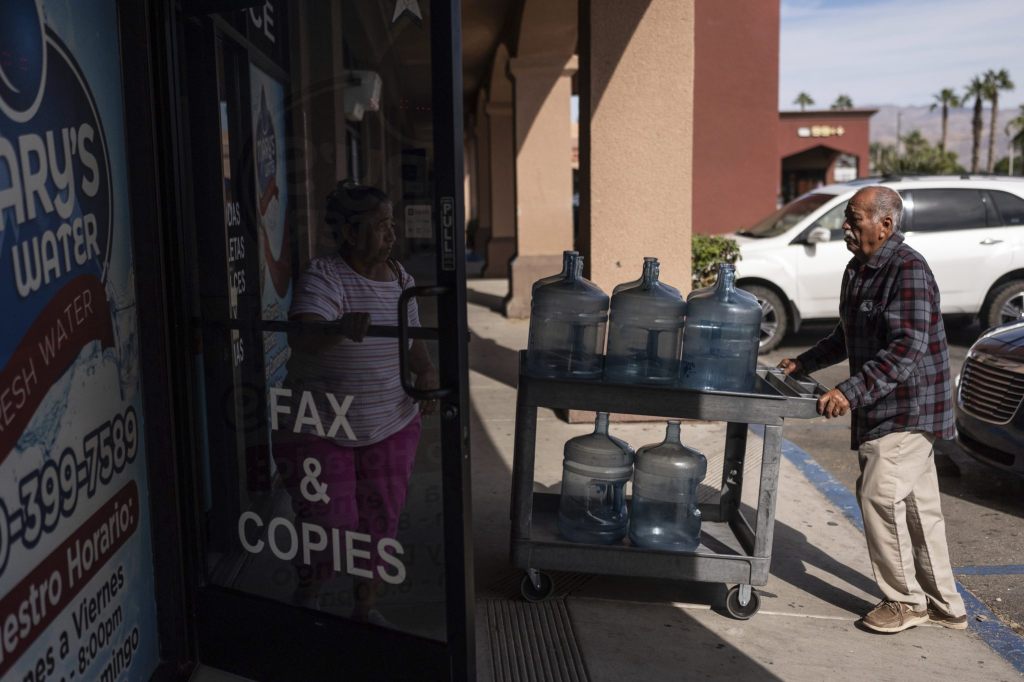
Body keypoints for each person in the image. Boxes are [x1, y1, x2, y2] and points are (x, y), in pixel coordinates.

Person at [777, 186, 967, 634]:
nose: (845, 226)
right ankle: (946, 605)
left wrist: (849, 391)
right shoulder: (858, 269)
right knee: (917, 507)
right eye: (846, 217)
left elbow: (907, 347)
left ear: (885, 225)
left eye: (854, 218)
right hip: (884, 403)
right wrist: (804, 362)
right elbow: (847, 335)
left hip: (909, 406)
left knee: (879, 495)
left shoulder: (908, 269)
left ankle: (905, 601)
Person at [274, 180, 437, 626]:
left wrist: (425, 371)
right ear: (349, 233)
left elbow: (412, 342)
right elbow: (303, 336)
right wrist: (338, 328)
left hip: (390, 422)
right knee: (328, 522)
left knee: (379, 522)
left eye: (391, 224)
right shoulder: (324, 276)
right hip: (321, 426)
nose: (391, 234)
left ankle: (365, 609)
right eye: (380, 225)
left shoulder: (401, 279)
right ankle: (309, 592)